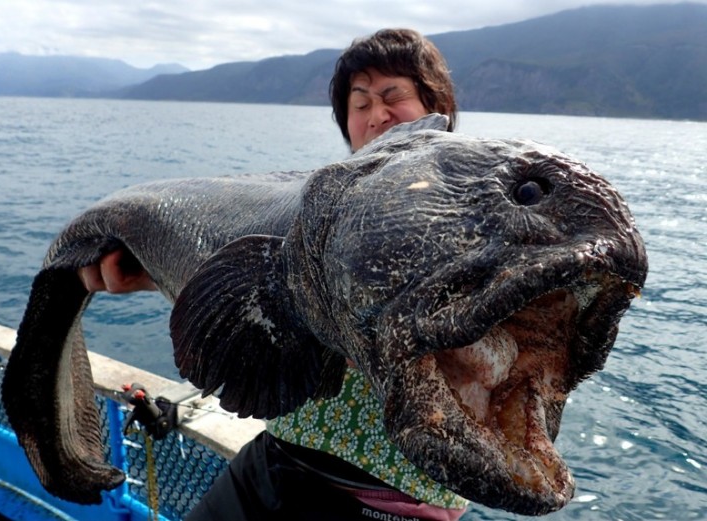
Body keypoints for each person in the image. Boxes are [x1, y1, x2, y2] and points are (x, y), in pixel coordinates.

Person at [80, 28, 465, 521]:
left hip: (389, 502)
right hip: (276, 461)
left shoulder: (471, 215)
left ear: (439, 107)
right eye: (360, 102)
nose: (376, 118)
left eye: (394, 97)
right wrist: (156, 272)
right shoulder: (320, 214)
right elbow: (267, 296)